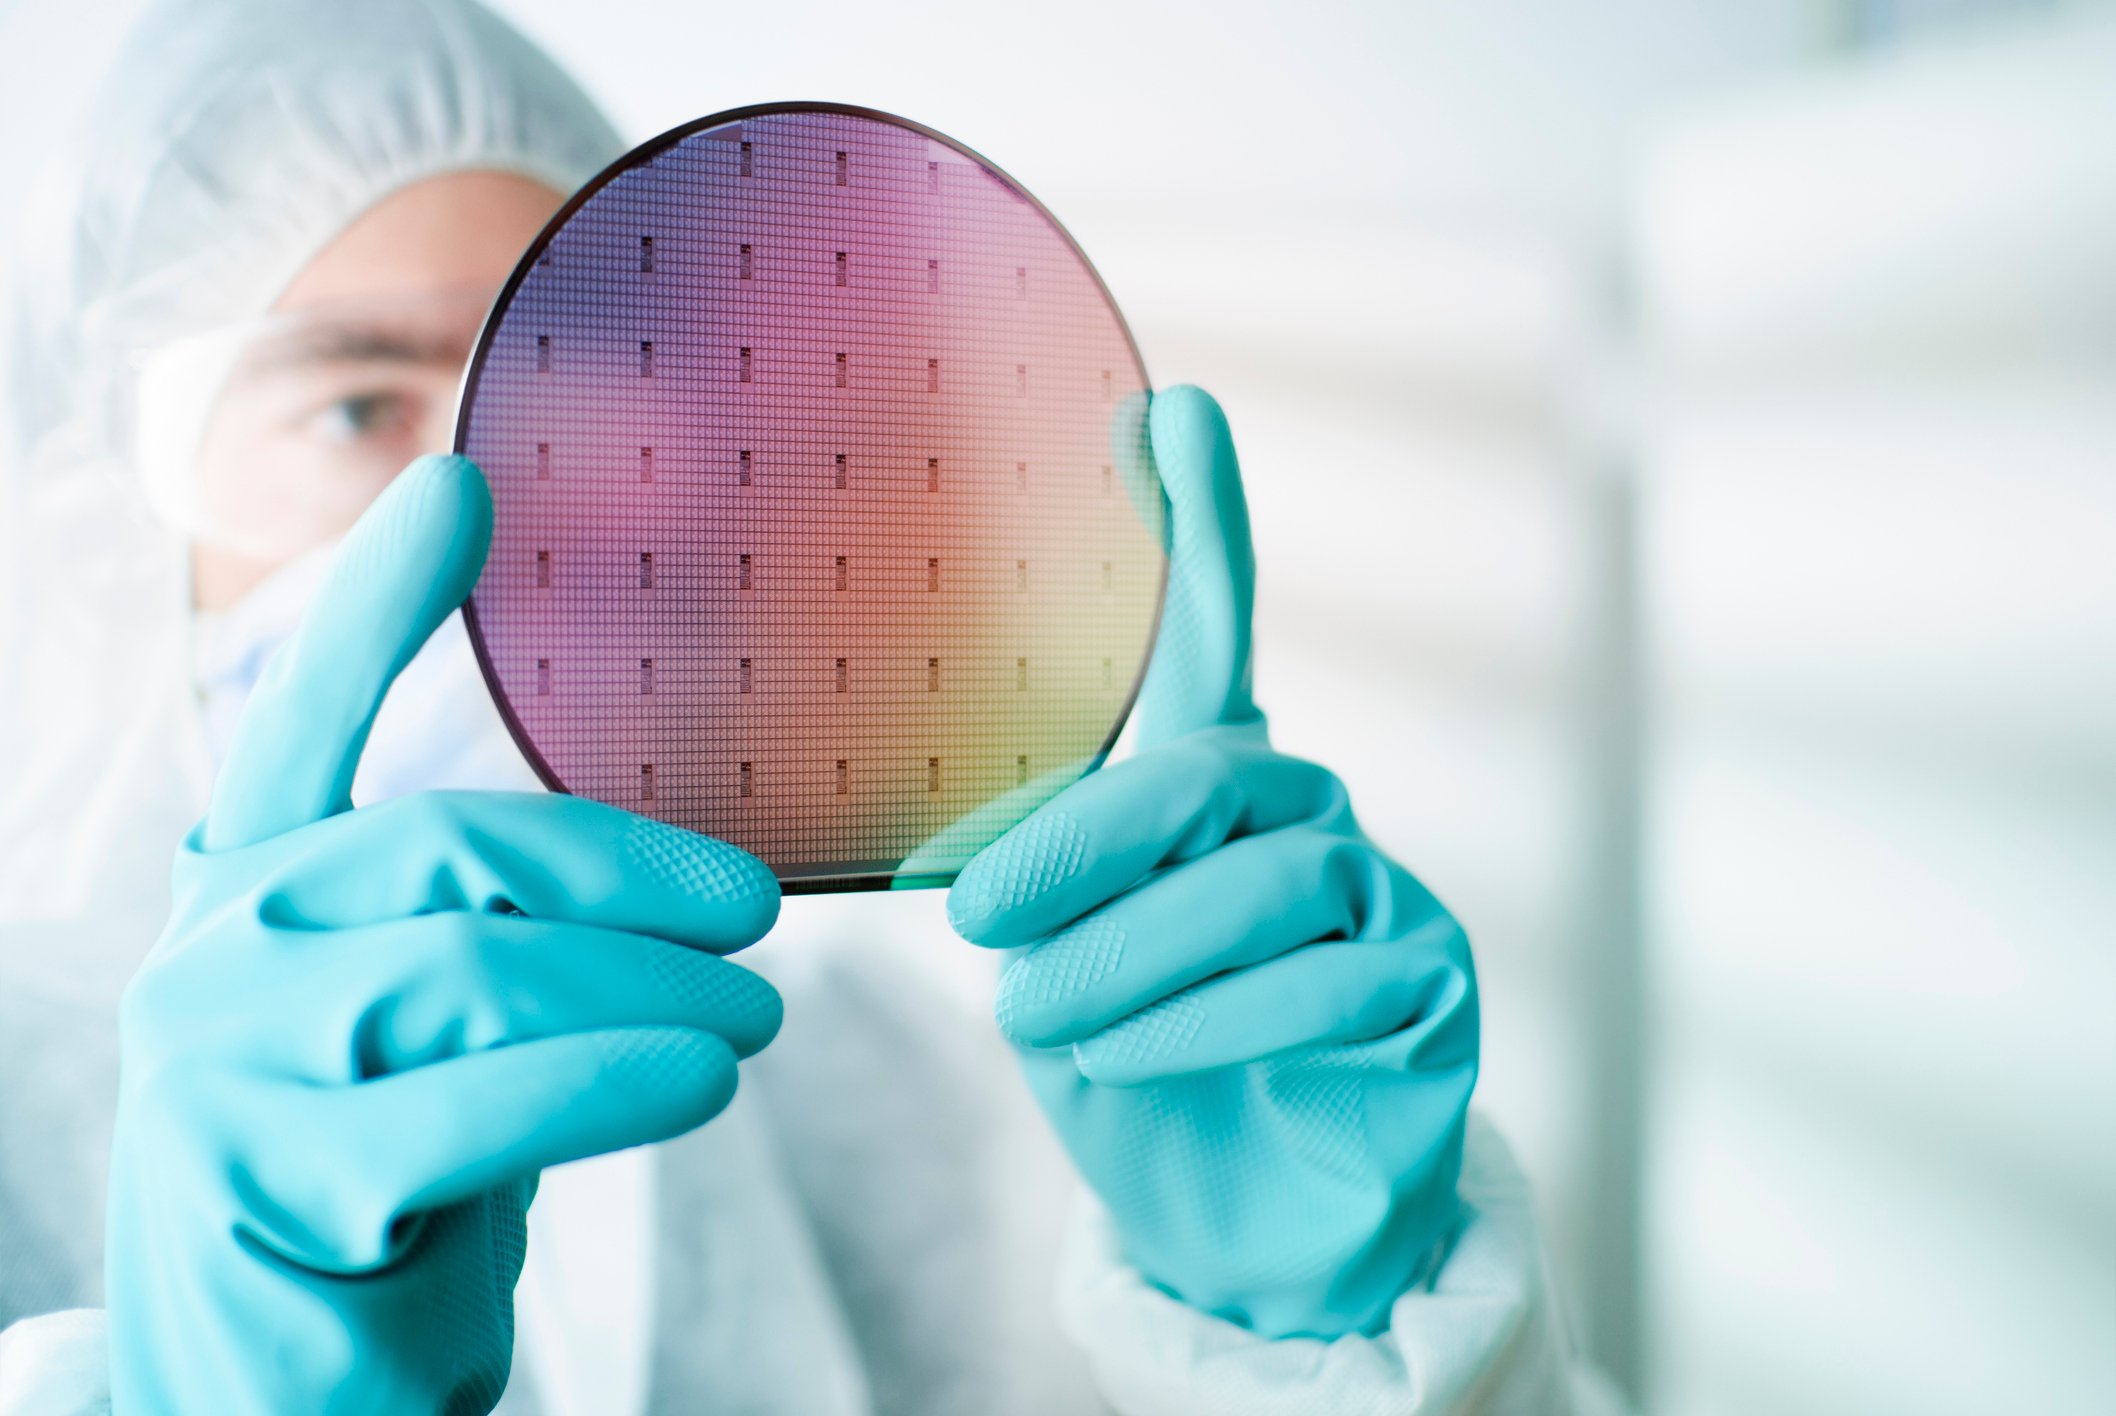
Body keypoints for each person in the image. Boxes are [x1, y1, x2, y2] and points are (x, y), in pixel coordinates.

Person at [0, 2, 1624, 1412]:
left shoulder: (910, 1104)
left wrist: (1329, 1338)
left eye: (574, 394)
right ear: (103, 507)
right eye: (360, 403)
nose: (500, 502)